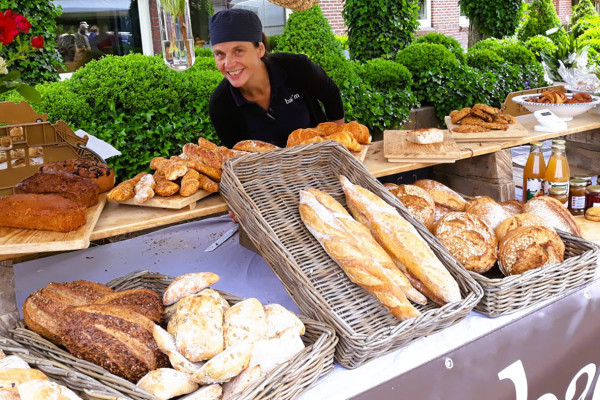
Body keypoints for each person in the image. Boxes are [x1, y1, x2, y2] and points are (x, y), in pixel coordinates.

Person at [208, 9, 345, 149]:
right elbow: (237, 154)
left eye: (238, 51)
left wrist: (339, 142)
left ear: (260, 49)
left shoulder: (296, 67)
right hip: (265, 170)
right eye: (220, 54)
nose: (228, 64)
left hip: (319, 161)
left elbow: (331, 94)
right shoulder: (220, 105)